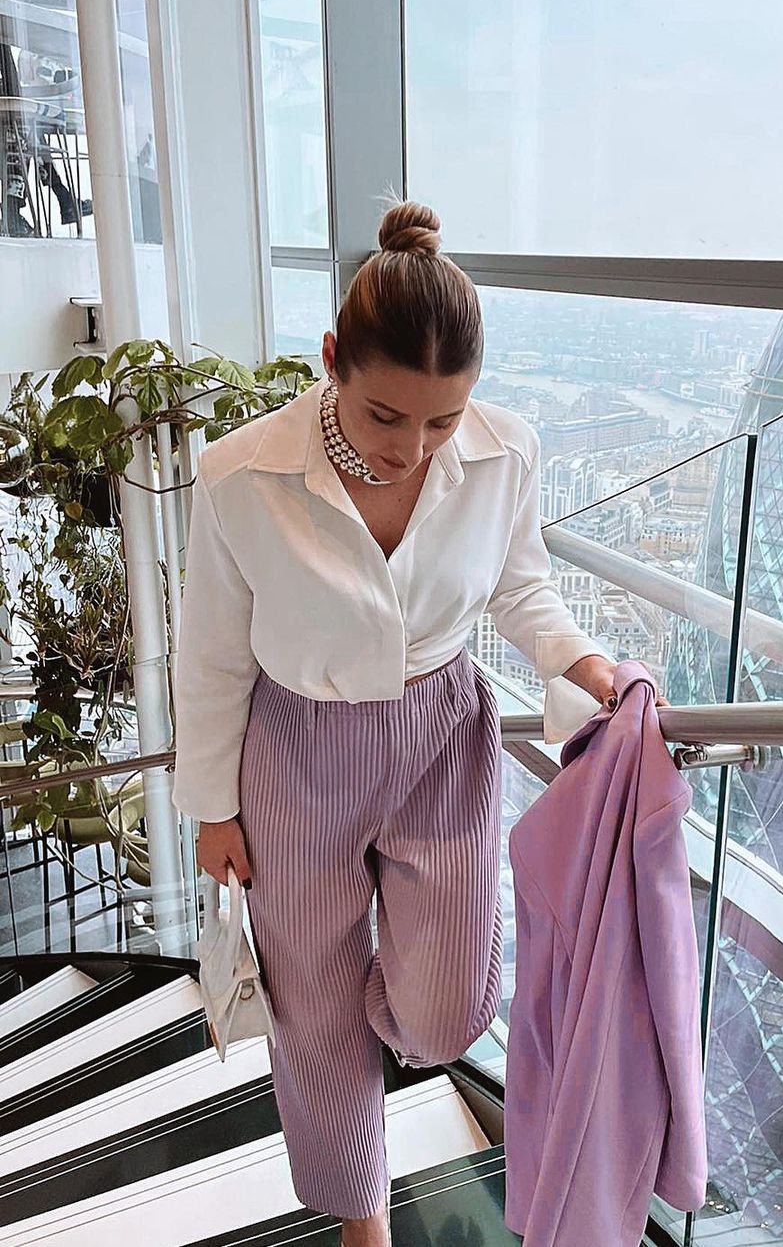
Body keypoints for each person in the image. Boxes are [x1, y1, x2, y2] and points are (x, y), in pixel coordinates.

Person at [170, 200, 667, 1247]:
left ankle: (354, 1015)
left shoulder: (506, 452)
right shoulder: (239, 477)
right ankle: (361, 1215)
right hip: (295, 751)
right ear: (332, 361)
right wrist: (212, 809)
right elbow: (212, 655)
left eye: (442, 420)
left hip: (440, 736)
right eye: (386, 416)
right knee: (312, 1014)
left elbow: (521, 587)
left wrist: (585, 665)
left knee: (446, 1009)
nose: (414, 448)